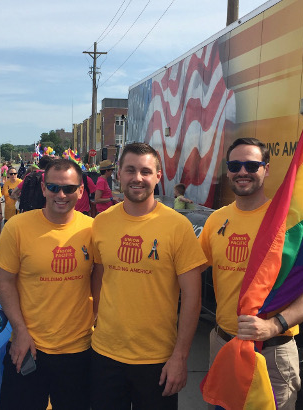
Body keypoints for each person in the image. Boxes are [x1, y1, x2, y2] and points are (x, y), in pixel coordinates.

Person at [199, 138, 303, 410]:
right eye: (235, 165)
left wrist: (274, 325)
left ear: (266, 169)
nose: (242, 171)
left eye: (252, 165)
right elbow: (192, 269)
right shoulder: (215, 220)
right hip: (223, 345)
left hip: (271, 350)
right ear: (227, 170)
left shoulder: (288, 222)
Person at [90, 142, 207, 410]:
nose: (138, 178)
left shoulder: (178, 227)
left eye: (145, 171)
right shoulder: (102, 223)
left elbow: (192, 297)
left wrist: (180, 356)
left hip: (158, 359)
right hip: (105, 354)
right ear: (118, 174)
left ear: (158, 176)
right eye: (130, 170)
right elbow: (98, 277)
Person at [0, 158, 94, 410]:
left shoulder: (93, 229)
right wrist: (21, 331)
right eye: (54, 187)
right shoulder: (18, 226)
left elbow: (102, 282)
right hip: (28, 347)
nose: (61, 194)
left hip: (79, 350)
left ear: (80, 191)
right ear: (44, 188)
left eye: (69, 188)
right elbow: (4, 282)